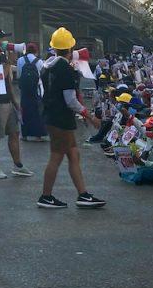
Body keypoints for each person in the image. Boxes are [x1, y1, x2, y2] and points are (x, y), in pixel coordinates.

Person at [38, 27, 105, 209]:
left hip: (53, 116)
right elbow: (71, 101)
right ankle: (46, 196)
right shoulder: (65, 69)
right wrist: (90, 117)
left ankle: (82, 194)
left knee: (73, 154)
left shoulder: (47, 66)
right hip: (61, 119)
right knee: (56, 156)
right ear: (70, 49)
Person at [0, 29, 32, 179]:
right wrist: (9, 62)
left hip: (7, 101)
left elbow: (8, 81)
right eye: (3, 39)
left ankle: (18, 165)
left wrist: (15, 102)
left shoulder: (2, 56)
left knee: (14, 133)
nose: (6, 42)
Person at [17, 43, 47, 141]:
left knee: (25, 111)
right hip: (36, 90)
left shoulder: (20, 60)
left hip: (24, 91)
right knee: (37, 112)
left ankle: (24, 135)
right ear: (36, 51)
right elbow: (43, 76)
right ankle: (38, 136)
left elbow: (18, 76)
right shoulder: (39, 62)